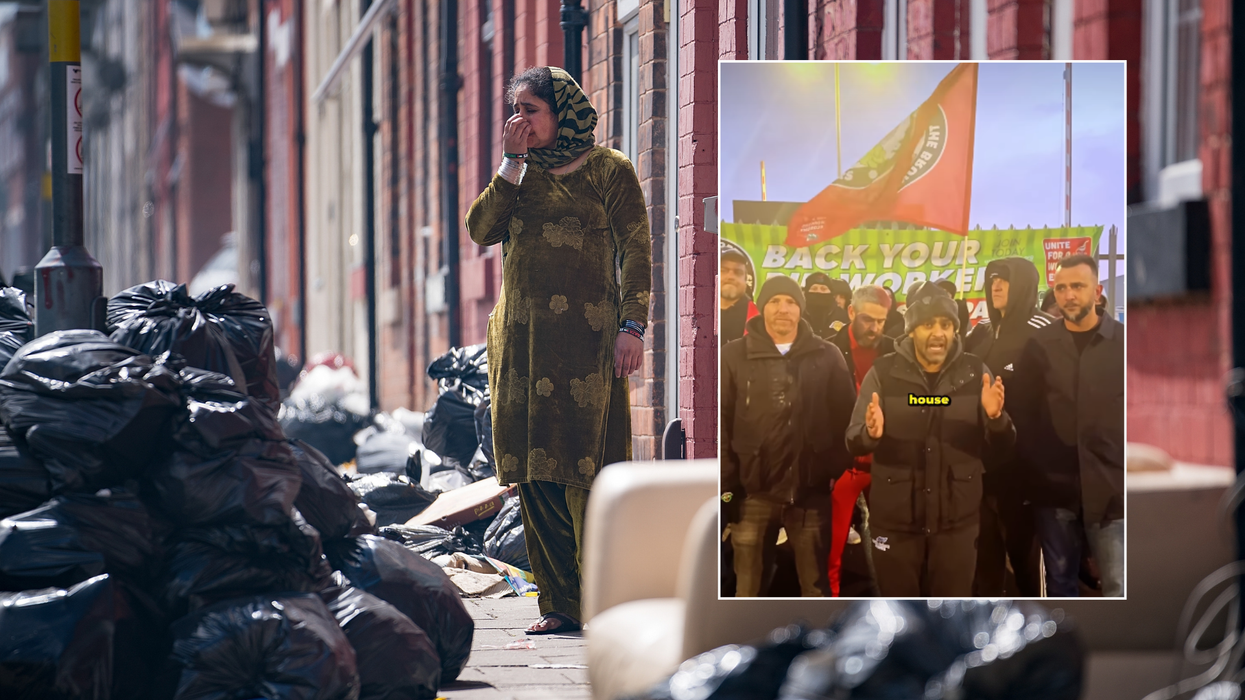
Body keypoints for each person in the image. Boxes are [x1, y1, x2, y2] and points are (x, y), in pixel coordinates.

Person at [465, 66, 651, 633]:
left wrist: (633, 326)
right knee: (536, 474)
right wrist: (509, 165)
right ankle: (560, 606)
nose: (520, 119)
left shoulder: (608, 171)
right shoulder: (518, 177)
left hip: (588, 348)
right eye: (514, 109)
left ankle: (602, 599)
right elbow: (480, 230)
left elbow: (638, 250)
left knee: (586, 472)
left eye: (532, 108)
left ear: (562, 110)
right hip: (523, 348)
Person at [846, 282, 1014, 597]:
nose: (938, 332)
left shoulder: (976, 372)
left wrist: (996, 419)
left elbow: (1003, 448)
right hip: (895, 522)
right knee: (899, 610)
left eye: (946, 324)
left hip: (957, 524)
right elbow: (853, 440)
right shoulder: (884, 372)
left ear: (955, 329)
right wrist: (870, 433)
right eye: (928, 324)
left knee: (951, 610)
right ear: (911, 330)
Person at [721, 276, 856, 597]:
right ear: (762, 307)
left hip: (811, 496)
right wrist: (730, 485)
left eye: (791, 302)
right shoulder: (734, 355)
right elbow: (722, 422)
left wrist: (832, 469)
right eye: (775, 301)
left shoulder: (828, 355)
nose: (783, 309)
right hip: (752, 495)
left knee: (816, 589)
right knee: (748, 589)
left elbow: (847, 417)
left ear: (801, 309)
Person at [1010, 254, 1124, 597]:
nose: (1069, 295)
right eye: (1061, 288)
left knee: (1117, 585)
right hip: (1054, 493)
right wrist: (1038, 472)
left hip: (1111, 495)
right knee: (1060, 587)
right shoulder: (1038, 346)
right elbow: (1022, 413)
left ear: (1097, 291)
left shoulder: (1123, 343)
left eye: (1077, 286)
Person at [964, 258, 1054, 597]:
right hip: (980, 475)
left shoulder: (1044, 330)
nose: (996, 286)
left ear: (1025, 285)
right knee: (984, 572)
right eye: (992, 279)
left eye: (1004, 279)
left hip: (1023, 477)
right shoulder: (980, 332)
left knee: (1027, 572)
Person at [826, 285, 895, 596]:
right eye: (869, 319)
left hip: (884, 464)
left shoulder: (897, 350)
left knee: (886, 547)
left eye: (882, 320)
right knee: (832, 550)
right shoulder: (829, 350)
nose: (876, 328)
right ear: (851, 312)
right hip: (842, 463)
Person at [721, 250, 759, 345]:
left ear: (746, 281)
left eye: (738, 272)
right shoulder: (697, 311)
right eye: (723, 270)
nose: (730, 276)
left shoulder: (758, 318)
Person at [802, 272, 850, 339]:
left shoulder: (845, 317)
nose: (819, 292)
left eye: (823, 289)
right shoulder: (798, 315)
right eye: (814, 288)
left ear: (831, 292)